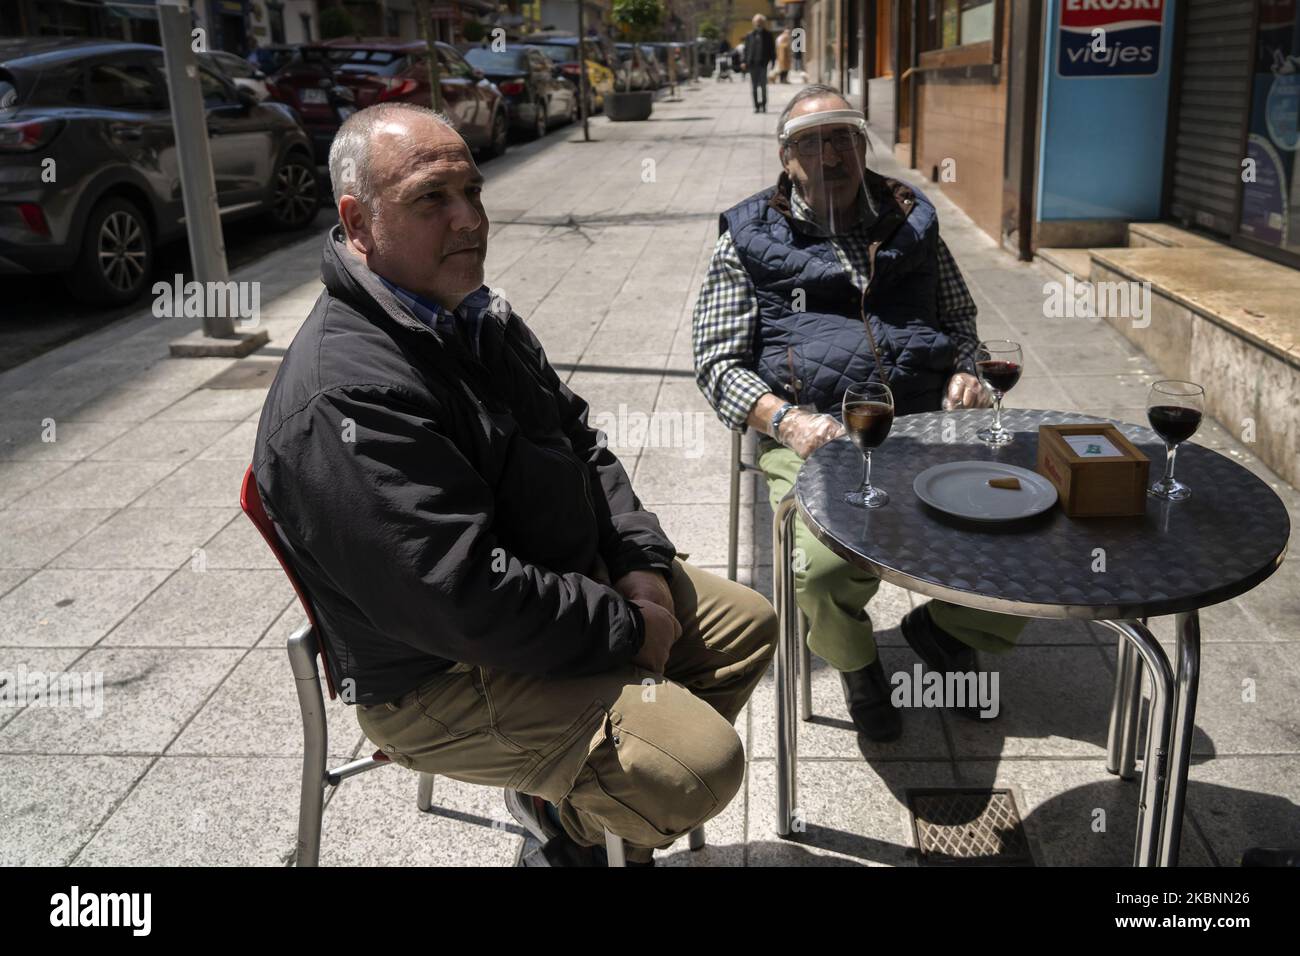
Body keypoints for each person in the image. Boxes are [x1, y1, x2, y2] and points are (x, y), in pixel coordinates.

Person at [253, 103, 776, 865]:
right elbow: (458, 595)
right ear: (357, 222)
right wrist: (626, 627)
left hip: (549, 592)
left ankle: (577, 804)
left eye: (474, 191)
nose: (469, 220)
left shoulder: (465, 311)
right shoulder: (345, 396)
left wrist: (640, 565)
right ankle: (568, 831)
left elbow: (577, 436)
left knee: (746, 627)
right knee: (699, 765)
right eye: (432, 198)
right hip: (439, 674)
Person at [692, 84, 1026, 742]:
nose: (829, 155)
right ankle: (857, 664)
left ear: (862, 147)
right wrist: (788, 423)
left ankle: (946, 633)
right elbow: (716, 363)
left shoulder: (912, 219)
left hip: (929, 423)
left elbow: (958, 317)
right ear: (785, 158)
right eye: (810, 143)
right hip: (818, 434)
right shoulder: (747, 236)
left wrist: (965, 368)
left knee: (1023, 531)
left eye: (842, 138)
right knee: (821, 568)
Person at [743, 14, 776, 112]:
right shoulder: (749, 35)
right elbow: (746, 49)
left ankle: (764, 105)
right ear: (754, 23)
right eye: (757, 22)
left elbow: (772, 49)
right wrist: (744, 61)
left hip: (763, 64)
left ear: (763, 23)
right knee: (753, 87)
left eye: (760, 22)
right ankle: (756, 106)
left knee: (763, 86)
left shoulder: (768, 35)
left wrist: (773, 62)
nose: (759, 24)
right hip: (752, 64)